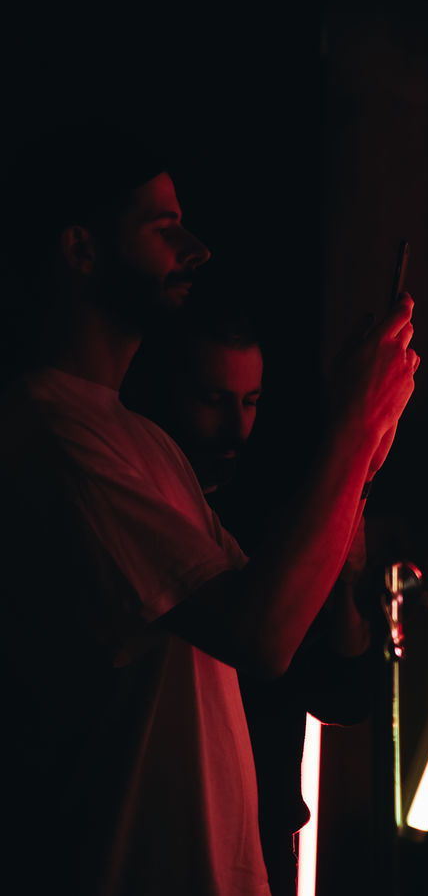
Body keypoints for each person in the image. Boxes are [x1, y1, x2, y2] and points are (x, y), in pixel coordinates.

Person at [0, 125, 417, 895]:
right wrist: (352, 426)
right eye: (163, 228)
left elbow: (284, 616)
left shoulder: (138, 440)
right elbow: (258, 635)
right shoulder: (53, 437)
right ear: (80, 249)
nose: (196, 248)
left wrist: (363, 445)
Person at [122, 287, 380, 895]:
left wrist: (343, 569)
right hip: (159, 847)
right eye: (213, 400)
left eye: (252, 401)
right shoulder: (139, 497)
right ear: (162, 390)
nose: (236, 427)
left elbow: (343, 698)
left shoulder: (276, 511)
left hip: (264, 843)